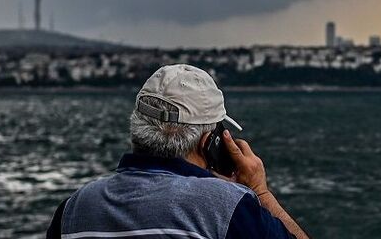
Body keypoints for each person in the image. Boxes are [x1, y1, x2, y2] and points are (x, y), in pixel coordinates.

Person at [45, 64, 311, 239]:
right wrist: (260, 191)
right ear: (210, 142)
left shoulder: (73, 210)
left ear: (138, 129)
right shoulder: (227, 208)